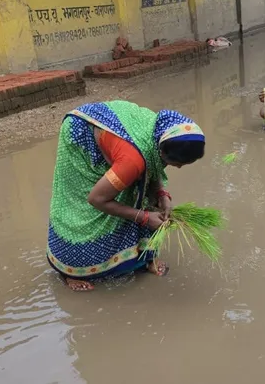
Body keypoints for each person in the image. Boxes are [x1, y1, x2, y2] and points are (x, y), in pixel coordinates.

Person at [47, 101, 206, 291]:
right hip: (81, 132)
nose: (179, 167)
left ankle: (142, 259)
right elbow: (96, 199)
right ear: (162, 150)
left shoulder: (164, 131)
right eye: (177, 162)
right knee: (83, 205)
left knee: (140, 191)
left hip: (120, 139)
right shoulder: (133, 160)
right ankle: (70, 271)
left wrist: (162, 194)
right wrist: (145, 218)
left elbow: (152, 164)